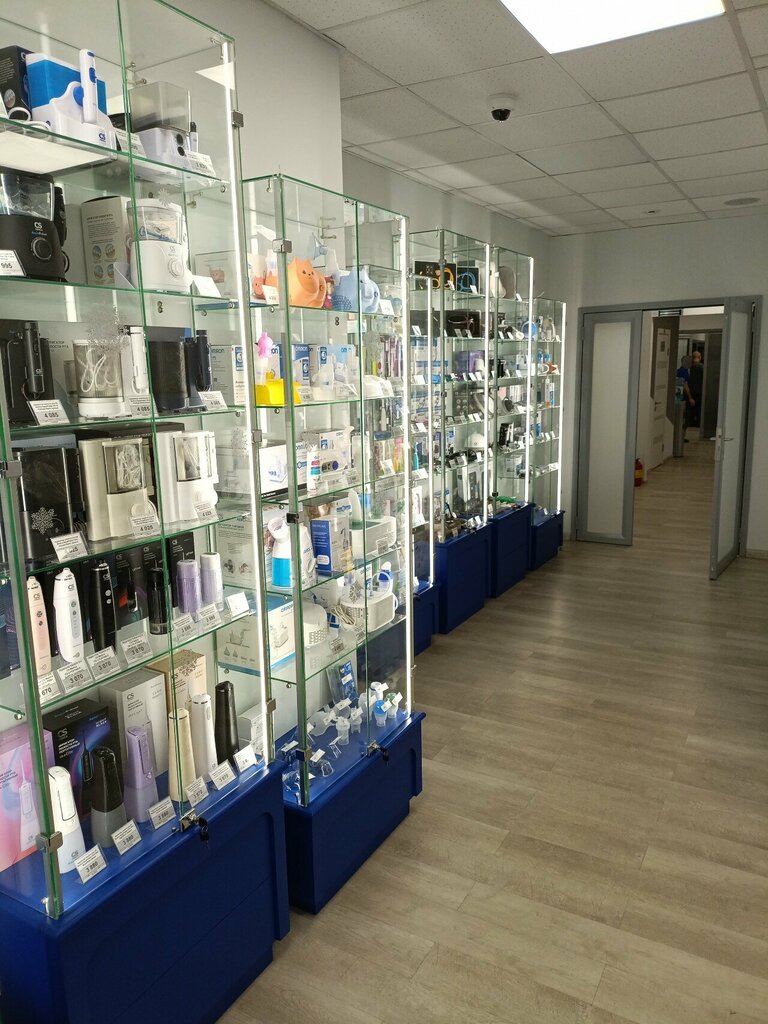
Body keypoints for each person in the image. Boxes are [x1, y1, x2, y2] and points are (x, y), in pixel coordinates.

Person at [675, 356, 695, 443]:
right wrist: (690, 398)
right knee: (685, 418)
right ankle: (681, 436)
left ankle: (681, 436)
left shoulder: (679, 371)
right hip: (684, 397)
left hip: (681, 397)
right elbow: (685, 385)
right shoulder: (684, 372)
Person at [688, 351, 704, 429]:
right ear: (700, 357)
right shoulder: (702, 368)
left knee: (691, 411)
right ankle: (698, 424)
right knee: (699, 410)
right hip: (700, 392)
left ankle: (690, 424)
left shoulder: (689, 368)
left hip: (691, 392)